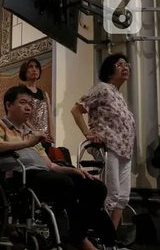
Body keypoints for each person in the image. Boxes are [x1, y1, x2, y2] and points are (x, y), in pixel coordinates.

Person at [0, 85, 116, 250]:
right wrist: (26, 143)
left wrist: (74, 170)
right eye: (23, 102)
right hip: (21, 175)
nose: (28, 107)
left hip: (45, 173)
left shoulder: (31, 133)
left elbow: (50, 165)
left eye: (30, 104)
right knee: (64, 184)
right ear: (9, 105)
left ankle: (87, 236)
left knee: (96, 187)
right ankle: (78, 238)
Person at [71, 53, 135, 229]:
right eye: (119, 64)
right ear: (109, 70)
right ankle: (101, 235)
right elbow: (76, 110)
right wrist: (87, 133)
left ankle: (111, 236)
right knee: (112, 194)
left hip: (125, 151)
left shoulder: (118, 95)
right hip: (108, 148)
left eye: (126, 64)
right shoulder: (102, 88)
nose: (125, 67)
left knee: (123, 197)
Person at [19, 58, 54, 145]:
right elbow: (21, 116)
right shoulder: (21, 91)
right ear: (24, 71)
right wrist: (36, 132)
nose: (34, 69)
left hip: (45, 139)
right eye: (31, 67)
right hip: (28, 136)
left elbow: (49, 116)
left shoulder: (44, 94)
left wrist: (52, 135)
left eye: (37, 67)